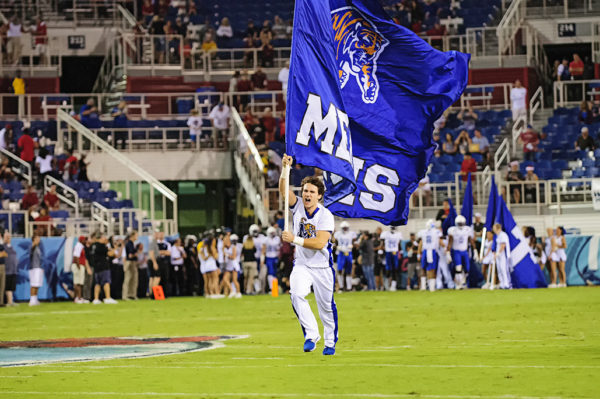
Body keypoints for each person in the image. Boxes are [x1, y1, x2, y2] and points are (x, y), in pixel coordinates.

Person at [280, 154, 338, 355]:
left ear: (319, 196)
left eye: (312, 191)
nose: (307, 194)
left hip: (322, 267)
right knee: (296, 294)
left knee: (326, 307)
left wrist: (293, 239)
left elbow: (320, 242)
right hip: (302, 265)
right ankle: (311, 335)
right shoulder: (297, 207)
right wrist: (285, 169)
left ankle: (330, 341)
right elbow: (283, 192)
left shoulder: (325, 215)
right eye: (305, 190)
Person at [447, 215, 476, 289]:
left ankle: (463, 282)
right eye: (459, 223)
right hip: (457, 251)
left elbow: (471, 241)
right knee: (458, 268)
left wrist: (475, 250)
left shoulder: (467, 229)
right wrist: (448, 252)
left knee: (467, 268)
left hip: (465, 251)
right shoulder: (453, 230)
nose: (460, 225)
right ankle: (459, 284)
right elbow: (450, 242)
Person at [91, 232, 118, 304]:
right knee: (106, 282)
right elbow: (110, 254)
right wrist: (115, 248)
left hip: (96, 267)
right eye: (103, 237)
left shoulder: (93, 246)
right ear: (100, 238)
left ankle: (96, 299)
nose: (105, 239)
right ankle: (108, 297)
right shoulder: (101, 246)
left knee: (97, 283)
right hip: (103, 266)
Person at [417, 219, 442, 292]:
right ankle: (429, 287)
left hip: (426, 251)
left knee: (425, 269)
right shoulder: (436, 232)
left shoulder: (423, 232)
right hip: (431, 251)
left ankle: (425, 286)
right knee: (430, 269)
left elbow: (420, 243)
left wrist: (418, 253)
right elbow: (440, 241)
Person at [334, 221, 357, 292]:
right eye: (344, 228)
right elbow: (335, 243)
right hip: (341, 253)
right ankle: (341, 287)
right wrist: (338, 247)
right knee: (340, 270)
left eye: (346, 228)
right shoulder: (338, 234)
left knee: (349, 271)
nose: (345, 229)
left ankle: (349, 287)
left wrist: (352, 246)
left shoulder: (351, 234)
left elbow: (354, 242)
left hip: (348, 253)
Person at [380, 226, 402, 291]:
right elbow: (382, 243)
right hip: (388, 252)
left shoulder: (398, 234)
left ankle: (393, 286)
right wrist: (381, 251)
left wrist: (401, 251)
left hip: (395, 252)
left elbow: (399, 244)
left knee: (395, 269)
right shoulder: (385, 234)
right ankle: (386, 285)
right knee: (388, 269)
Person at [71, 236, 91, 304]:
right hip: (78, 265)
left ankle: (78, 297)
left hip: (79, 265)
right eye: (84, 240)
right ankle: (78, 298)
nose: (85, 241)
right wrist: (78, 266)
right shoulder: (78, 246)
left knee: (79, 282)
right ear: (81, 240)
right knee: (77, 283)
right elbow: (76, 256)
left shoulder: (80, 246)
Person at [492, 224, 512, 290]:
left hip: (503, 255)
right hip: (499, 256)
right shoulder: (497, 236)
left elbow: (503, 246)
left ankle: (507, 284)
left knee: (504, 269)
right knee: (499, 270)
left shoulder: (503, 235)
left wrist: (498, 253)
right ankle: (502, 284)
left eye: (494, 228)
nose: (493, 230)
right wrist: (495, 254)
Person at [264, 226, 281, 292]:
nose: (272, 234)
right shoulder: (266, 239)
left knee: (275, 273)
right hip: (269, 257)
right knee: (270, 273)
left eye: (273, 233)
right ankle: (272, 288)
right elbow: (264, 249)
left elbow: (280, 248)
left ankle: (275, 288)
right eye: (271, 233)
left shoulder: (277, 238)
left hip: (276, 257)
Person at [123, 230, 139, 300]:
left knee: (134, 279)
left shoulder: (132, 243)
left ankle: (132, 294)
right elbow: (130, 255)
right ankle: (125, 295)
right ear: (132, 236)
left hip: (132, 262)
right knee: (128, 279)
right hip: (129, 262)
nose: (137, 237)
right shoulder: (129, 244)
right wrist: (135, 254)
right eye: (136, 235)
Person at [28, 234, 43, 306]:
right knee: (33, 284)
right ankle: (31, 300)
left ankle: (35, 299)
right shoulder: (32, 247)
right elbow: (30, 253)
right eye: (37, 238)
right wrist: (34, 243)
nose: (39, 240)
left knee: (37, 284)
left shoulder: (37, 248)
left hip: (38, 268)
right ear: (34, 239)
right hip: (34, 268)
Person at [4, 232, 18, 306]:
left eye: (9, 237)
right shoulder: (3, 247)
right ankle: (9, 301)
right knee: (8, 286)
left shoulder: (11, 247)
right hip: (7, 270)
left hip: (13, 270)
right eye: (7, 237)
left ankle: (11, 301)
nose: (8, 238)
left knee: (12, 287)